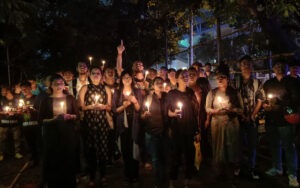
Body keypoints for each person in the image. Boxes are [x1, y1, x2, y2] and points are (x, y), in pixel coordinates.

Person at [263, 60, 300, 187]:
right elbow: (265, 99)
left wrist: (286, 107)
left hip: (286, 119)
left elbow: (295, 101)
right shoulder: (269, 83)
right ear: (273, 68)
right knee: (274, 145)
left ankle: (292, 174)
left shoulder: (293, 82)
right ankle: (277, 167)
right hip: (271, 118)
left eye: (282, 65)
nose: (279, 68)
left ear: (287, 67)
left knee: (289, 146)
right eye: (277, 66)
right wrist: (265, 105)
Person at [39, 74, 79, 187]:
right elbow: (41, 120)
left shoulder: (70, 98)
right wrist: (54, 119)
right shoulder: (46, 101)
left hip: (68, 134)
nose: (59, 85)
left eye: (61, 83)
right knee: (54, 160)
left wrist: (70, 116)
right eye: (56, 83)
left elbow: (77, 115)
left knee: (68, 159)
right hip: (52, 135)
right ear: (51, 85)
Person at [205, 64, 243, 181]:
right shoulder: (212, 93)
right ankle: (219, 171)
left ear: (228, 78)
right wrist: (215, 110)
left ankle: (232, 171)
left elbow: (241, 110)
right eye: (218, 77)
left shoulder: (235, 93)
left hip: (231, 123)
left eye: (223, 77)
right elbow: (207, 108)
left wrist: (231, 110)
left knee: (231, 146)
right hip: (217, 123)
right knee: (218, 146)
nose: (220, 80)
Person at [78, 66, 112, 186]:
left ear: (101, 75)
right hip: (89, 121)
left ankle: (103, 174)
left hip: (102, 122)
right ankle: (92, 176)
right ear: (89, 75)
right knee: (90, 149)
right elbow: (81, 106)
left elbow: (109, 107)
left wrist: (104, 107)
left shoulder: (106, 88)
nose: (96, 75)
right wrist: (90, 107)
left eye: (98, 73)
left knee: (103, 149)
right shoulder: (85, 88)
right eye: (93, 73)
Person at [166, 69, 199, 188]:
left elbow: (195, 112)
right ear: (177, 79)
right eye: (182, 75)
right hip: (177, 129)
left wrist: (196, 130)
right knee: (175, 155)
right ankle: (172, 179)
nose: (185, 77)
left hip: (189, 128)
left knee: (189, 155)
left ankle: (187, 180)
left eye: (186, 75)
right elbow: (167, 112)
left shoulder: (190, 92)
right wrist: (173, 114)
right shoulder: (172, 94)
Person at [233, 56, 264, 180]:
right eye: (243, 64)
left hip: (252, 119)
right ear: (240, 67)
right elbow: (233, 99)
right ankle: (238, 167)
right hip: (238, 119)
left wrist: (252, 115)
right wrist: (241, 114)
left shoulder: (257, 83)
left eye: (248, 64)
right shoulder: (235, 81)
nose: (246, 67)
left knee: (252, 145)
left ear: (252, 67)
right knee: (238, 145)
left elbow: (261, 99)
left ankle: (251, 168)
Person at [112, 71, 142, 184]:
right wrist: (123, 106)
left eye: (129, 77)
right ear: (121, 79)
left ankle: (135, 173)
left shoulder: (137, 91)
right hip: (122, 125)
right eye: (124, 77)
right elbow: (114, 110)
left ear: (132, 79)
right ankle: (127, 173)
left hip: (134, 124)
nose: (127, 79)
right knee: (125, 150)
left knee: (134, 148)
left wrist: (134, 102)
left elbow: (140, 109)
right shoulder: (117, 92)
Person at [141, 77, 168, 188]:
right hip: (153, 133)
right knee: (156, 159)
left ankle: (165, 181)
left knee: (166, 158)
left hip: (165, 133)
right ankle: (158, 182)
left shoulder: (167, 97)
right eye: (157, 83)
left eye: (161, 83)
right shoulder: (149, 98)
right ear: (153, 85)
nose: (160, 84)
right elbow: (142, 115)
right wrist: (145, 115)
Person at [0, 87, 23, 161]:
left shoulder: (17, 100)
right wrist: (5, 112)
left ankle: (17, 152)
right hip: (4, 124)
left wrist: (18, 112)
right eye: (5, 93)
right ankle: (1, 154)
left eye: (7, 92)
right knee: (2, 140)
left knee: (17, 139)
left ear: (11, 92)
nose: (6, 94)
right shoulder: (2, 100)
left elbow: (20, 109)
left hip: (15, 123)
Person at [20, 81, 40, 166]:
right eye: (22, 89)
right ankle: (32, 158)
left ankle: (39, 159)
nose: (24, 90)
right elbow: (20, 112)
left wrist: (32, 110)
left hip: (36, 125)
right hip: (25, 125)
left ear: (30, 88)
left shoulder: (36, 98)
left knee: (38, 143)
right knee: (29, 143)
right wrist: (19, 112)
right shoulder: (21, 100)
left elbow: (41, 110)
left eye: (26, 88)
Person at [195, 77, 212, 162]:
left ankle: (205, 155)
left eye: (198, 86)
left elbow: (208, 109)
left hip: (205, 118)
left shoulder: (208, 95)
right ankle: (201, 154)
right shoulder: (197, 94)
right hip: (200, 117)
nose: (197, 88)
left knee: (205, 136)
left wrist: (207, 120)